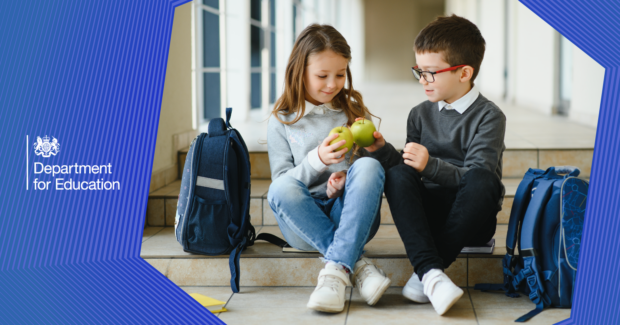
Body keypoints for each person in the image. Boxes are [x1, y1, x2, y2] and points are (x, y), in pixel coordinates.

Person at [361, 15, 506, 315]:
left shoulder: (490, 117)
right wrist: (382, 150)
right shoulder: (419, 114)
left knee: (484, 180)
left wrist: (430, 166)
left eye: (431, 73)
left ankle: (425, 270)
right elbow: (408, 169)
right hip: (428, 217)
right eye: (419, 72)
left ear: (464, 72)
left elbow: (475, 179)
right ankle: (431, 276)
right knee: (399, 174)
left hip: (471, 219)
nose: (423, 81)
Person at [267, 24, 391, 313]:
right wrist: (318, 160)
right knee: (280, 187)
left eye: (340, 74)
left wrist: (348, 177)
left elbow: (368, 180)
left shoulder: (353, 112)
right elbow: (282, 187)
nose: (332, 84)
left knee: (370, 167)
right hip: (302, 222)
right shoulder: (282, 120)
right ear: (300, 72)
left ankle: (335, 270)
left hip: (350, 215)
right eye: (322, 75)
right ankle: (356, 264)